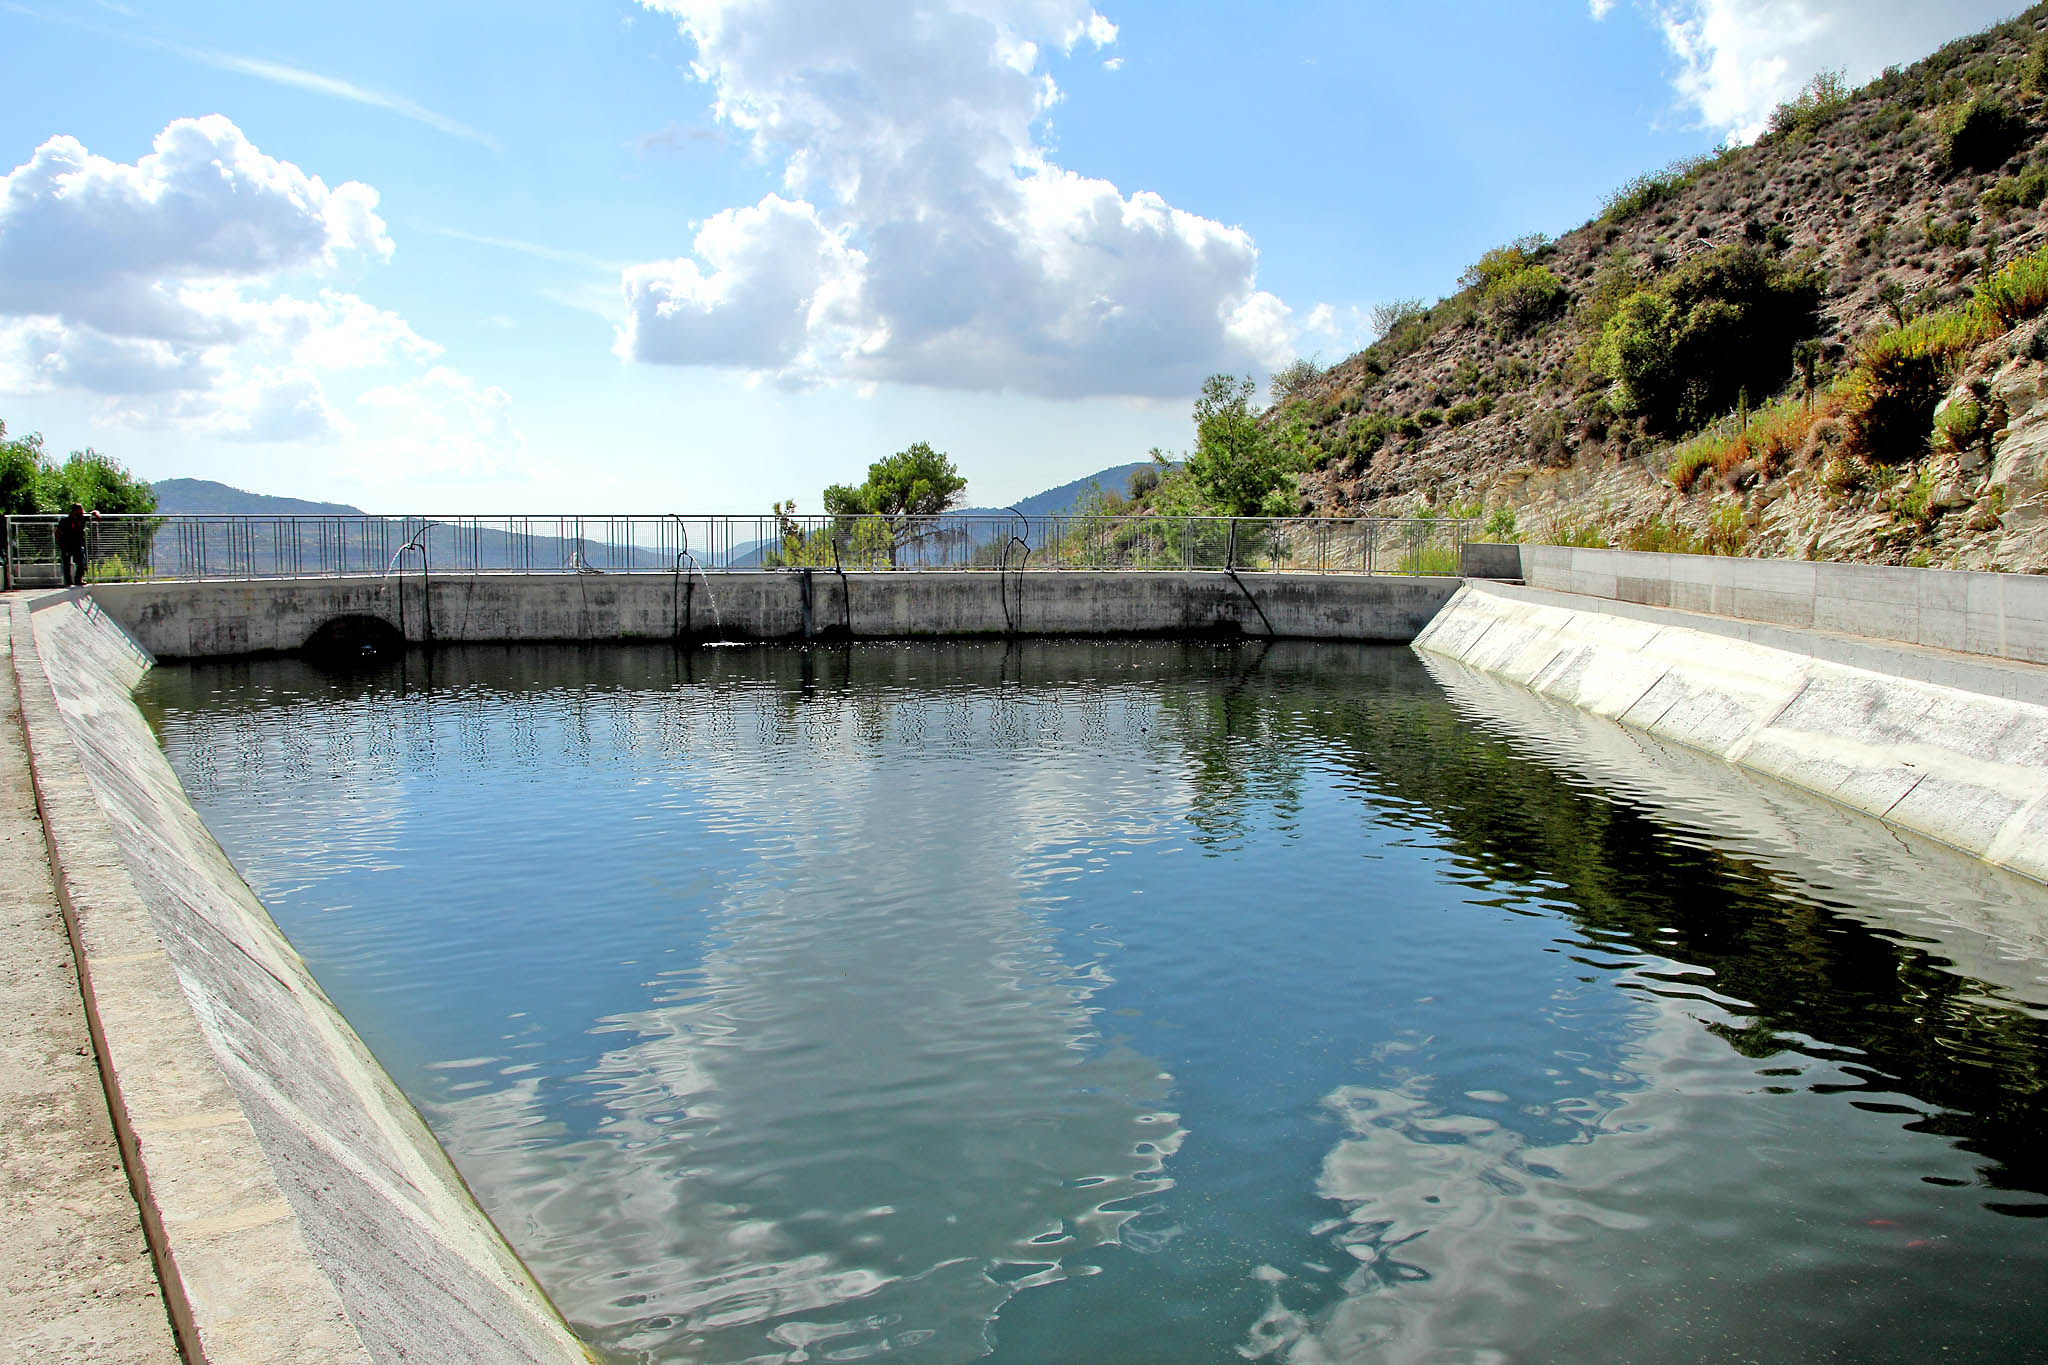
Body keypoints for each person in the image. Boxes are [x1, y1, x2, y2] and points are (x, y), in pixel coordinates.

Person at [55, 503, 97, 587]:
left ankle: (78, 579)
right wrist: (60, 543)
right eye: (80, 510)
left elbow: (94, 512)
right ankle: (68, 582)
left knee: (82, 562)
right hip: (66, 545)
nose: (81, 512)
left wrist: (96, 514)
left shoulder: (82, 518)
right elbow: (58, 532)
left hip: (78, 545)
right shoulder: (65, 520)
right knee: (66, 564)